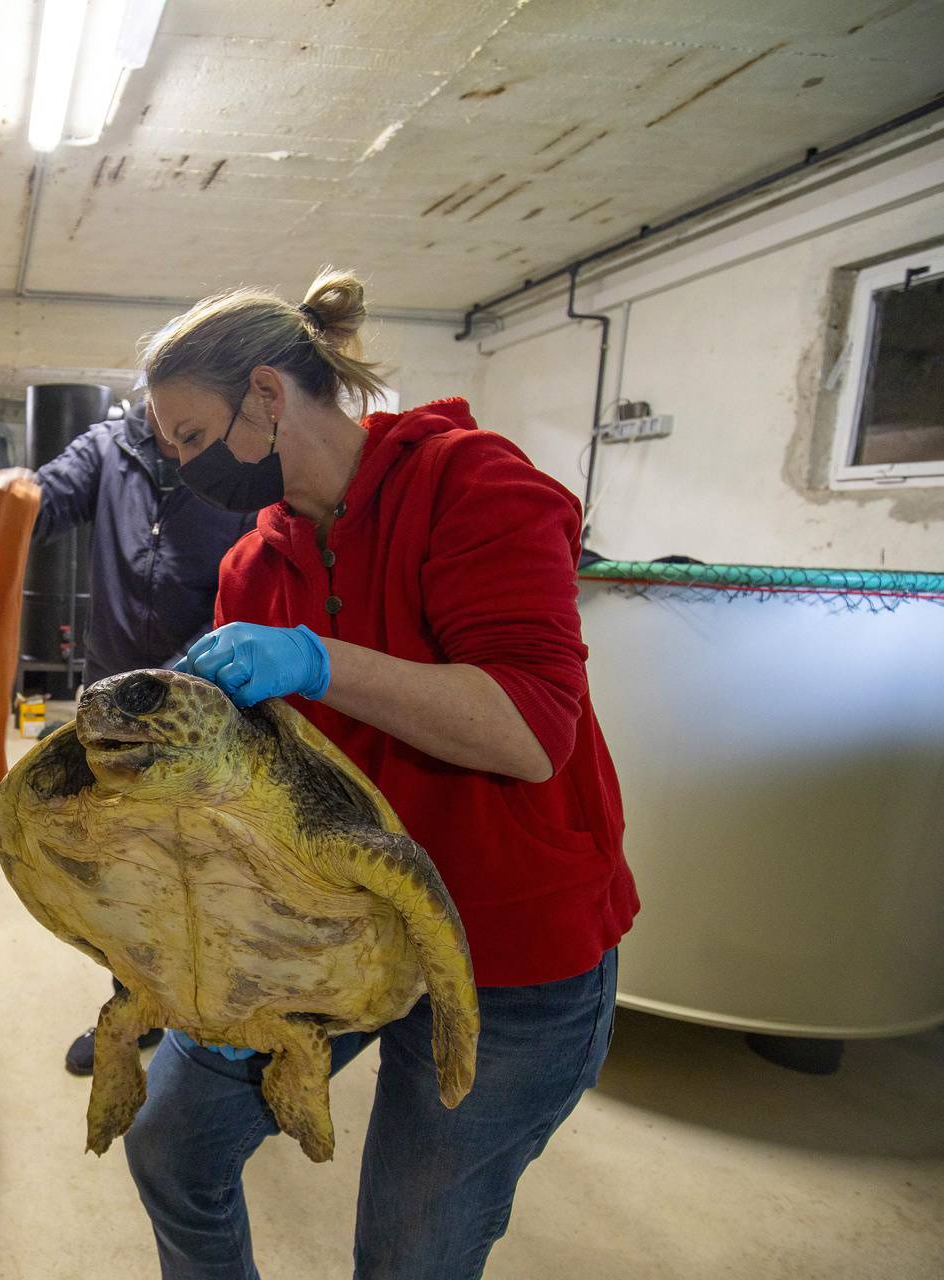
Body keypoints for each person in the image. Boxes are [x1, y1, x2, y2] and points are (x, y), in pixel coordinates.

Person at [126, 268, 638, 1279]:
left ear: (268, 397)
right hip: (345, 924)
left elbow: (532, 731)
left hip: (507, 952)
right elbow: (286, 779)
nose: (183, 467)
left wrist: (319, 657)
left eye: (192, 436)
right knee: (172, 1138)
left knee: (410, 1252)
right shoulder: (254, 566)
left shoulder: (474, 487)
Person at [0, 401, 255, 1076]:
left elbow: (256, 572)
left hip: (208, 702)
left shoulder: (236, 454)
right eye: (166, 411)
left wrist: (197, 668)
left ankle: (228, 1016)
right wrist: (19, 497)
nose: (178, 434)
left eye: (191, 419)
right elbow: (54, 494)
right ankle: (135, 1010)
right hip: (114, 708)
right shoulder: (109, 447)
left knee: (216, 868)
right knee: (129, 872)